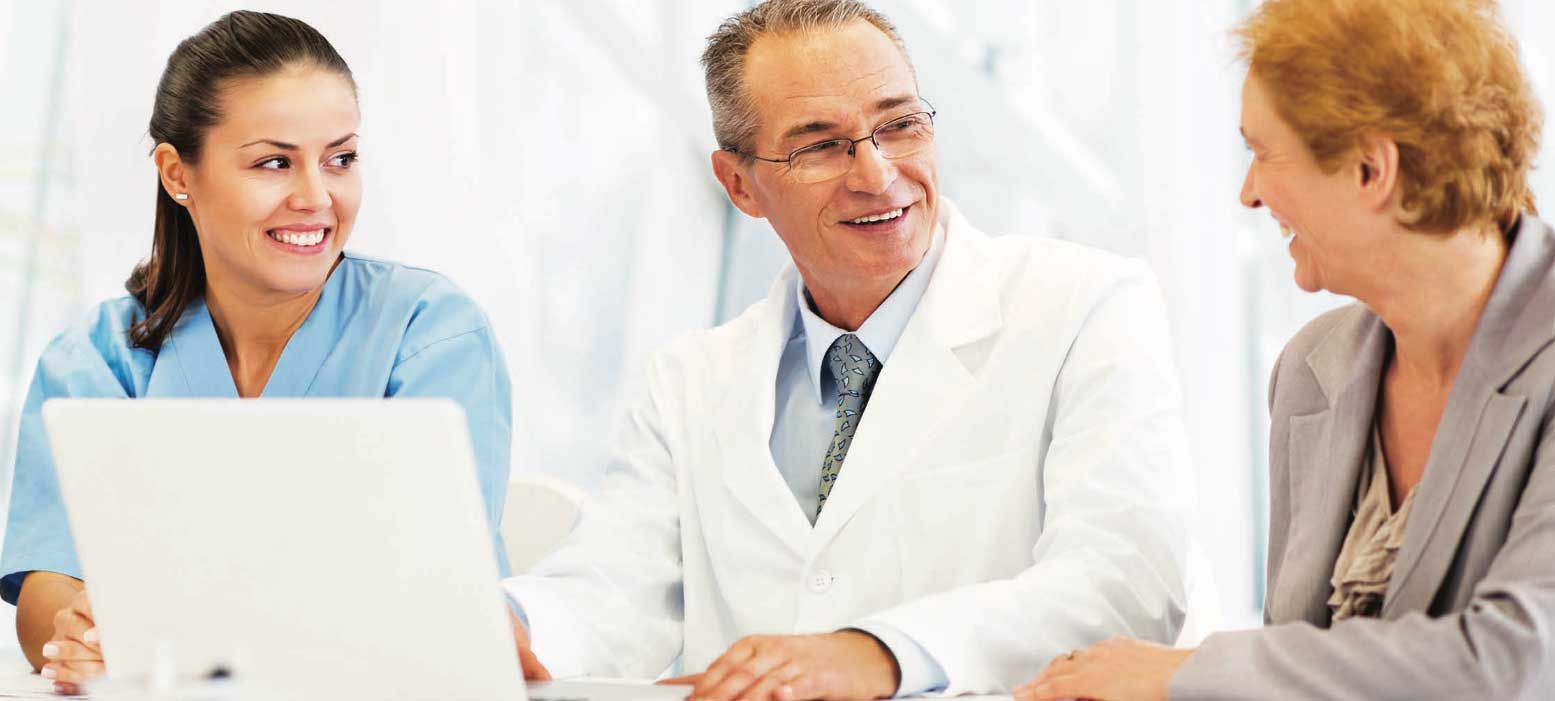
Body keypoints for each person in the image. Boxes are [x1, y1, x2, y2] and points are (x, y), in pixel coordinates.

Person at [503, 1, 1191, 698]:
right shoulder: (690, 379)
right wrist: (516, 621)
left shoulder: (1085, 305)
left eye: (899, 125)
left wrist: (879, 653)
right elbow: (613, 583)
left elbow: (1122, 580)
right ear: (739, 183)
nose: (876, 173)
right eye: (820, 146)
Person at [1017, 1, 1554, 699]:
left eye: (1262, 151)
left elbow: (1514, 661)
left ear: (1370, 169)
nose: (1247, 192)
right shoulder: (1311, 368)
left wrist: (1183, 672)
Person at [0, 11, 515, 694]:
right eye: (274, 162)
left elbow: (439, 594)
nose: (315, 196)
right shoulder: (99, 357)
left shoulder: (430, 334)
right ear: (177, 174)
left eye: (341, 158)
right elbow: (46, 584)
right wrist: (82, 633)